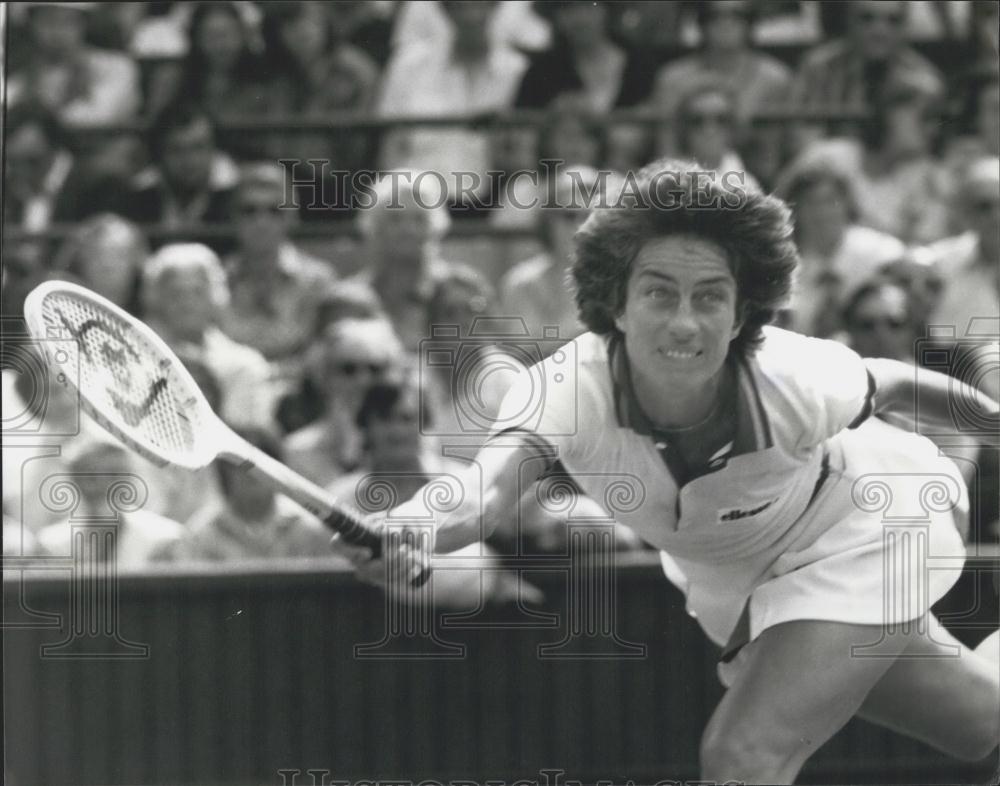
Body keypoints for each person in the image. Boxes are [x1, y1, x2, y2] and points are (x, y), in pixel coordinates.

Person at [334, 160, 1000, 782]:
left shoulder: (789, 375)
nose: (684, 323)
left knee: (742, 754)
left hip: (868, 530)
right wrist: (410, 525)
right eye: (659, 293)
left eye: (710, 298)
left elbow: (897, 384)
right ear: (615, 305)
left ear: (741, 315)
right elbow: (478, 494)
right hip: (744, 580)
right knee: (979, 724)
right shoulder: (565, 388)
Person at [219, 162, 338, 389]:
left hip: (298, 394)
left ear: (292, 216)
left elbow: (323, 352)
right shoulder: (217, 279)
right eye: (249, 211)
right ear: (233, 218)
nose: (261, 222)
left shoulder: (319, 281)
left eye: (275, 211)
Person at [142, 243, 277, 431]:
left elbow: (249, 436)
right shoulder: (132, 358)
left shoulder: (247, 365)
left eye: (197, 292)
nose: (187, 304)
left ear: (216, 295)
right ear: (156, 298)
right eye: (176, 294)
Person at [774, 161, 904, 337]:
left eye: (830, 201)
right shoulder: (782, 264)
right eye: (811, 202)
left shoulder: (881, 253)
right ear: (794, 210)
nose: (822, 212)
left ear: (847, 204)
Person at [174, 426, 339, 564]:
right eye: (239, 466)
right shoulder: (201, 534)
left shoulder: (308, 530)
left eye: (258, 466)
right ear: (224, 473)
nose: (250, 474)